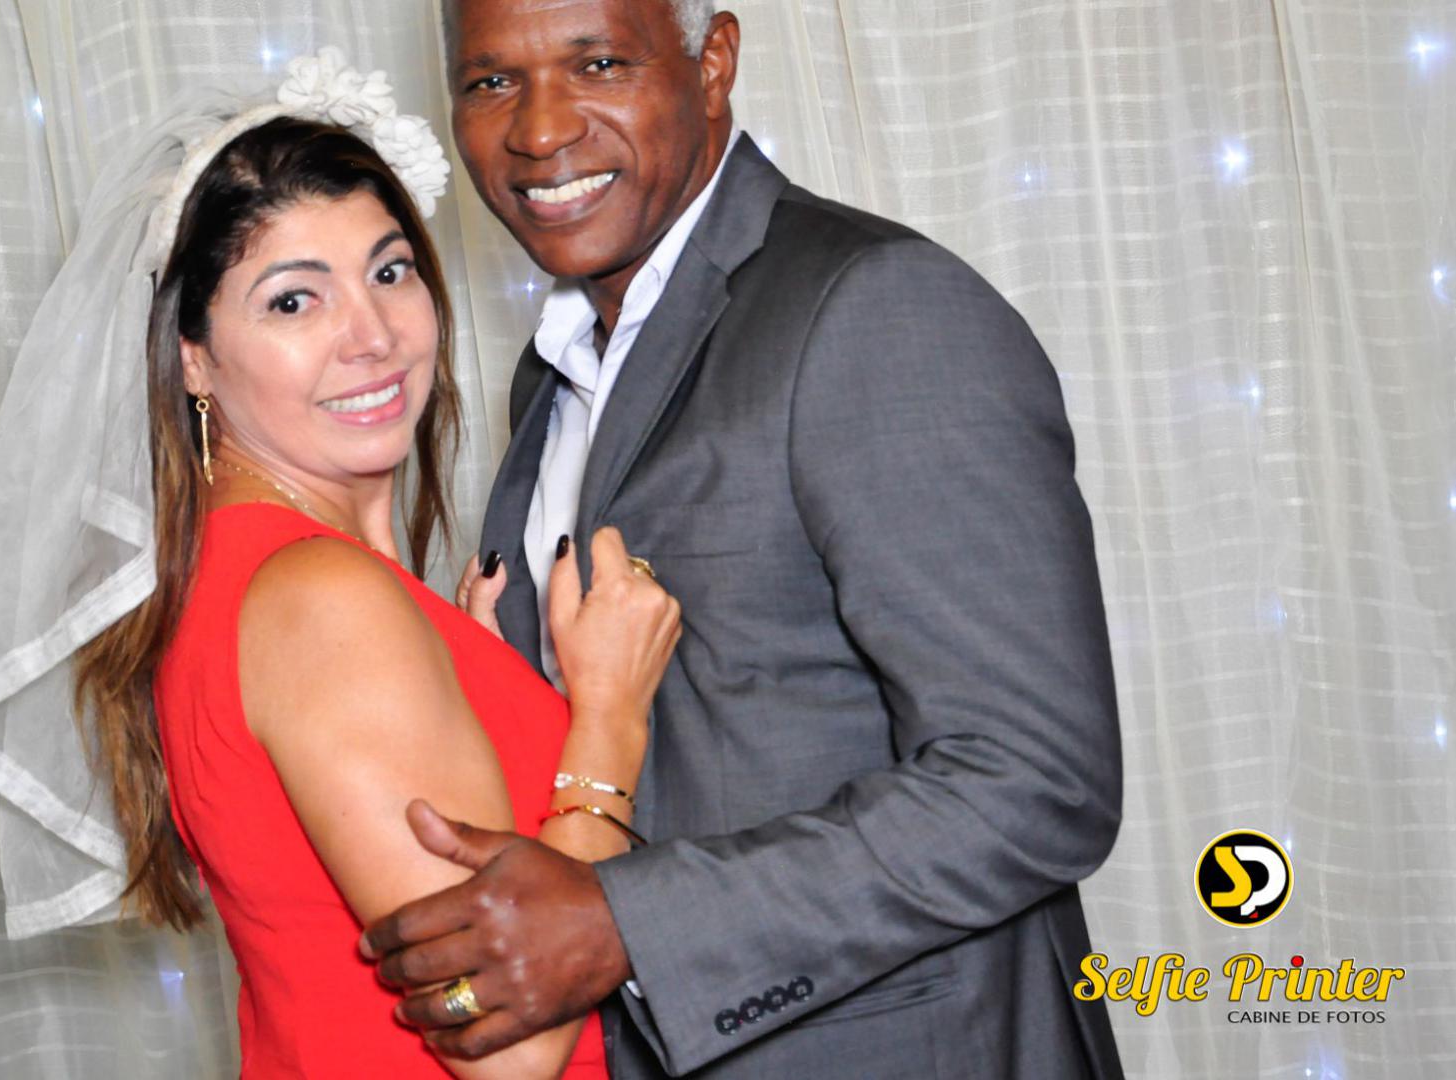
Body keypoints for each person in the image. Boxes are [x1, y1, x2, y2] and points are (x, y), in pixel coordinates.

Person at [362, 2, 1128, 1077]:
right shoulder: (555, 367)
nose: (538, 130)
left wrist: (629, 924)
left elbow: (1034, 782)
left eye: (598, 63)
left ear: (712, 62)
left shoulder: (876, 308)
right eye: (490, 82)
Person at [0, 49, 680, 1079]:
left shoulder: (244, 575)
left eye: (389, 272)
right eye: (293, 302)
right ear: (192, 357)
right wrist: (609, 719)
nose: (370, 335)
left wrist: (471, 673)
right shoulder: (319, 598)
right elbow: (505, 1045)